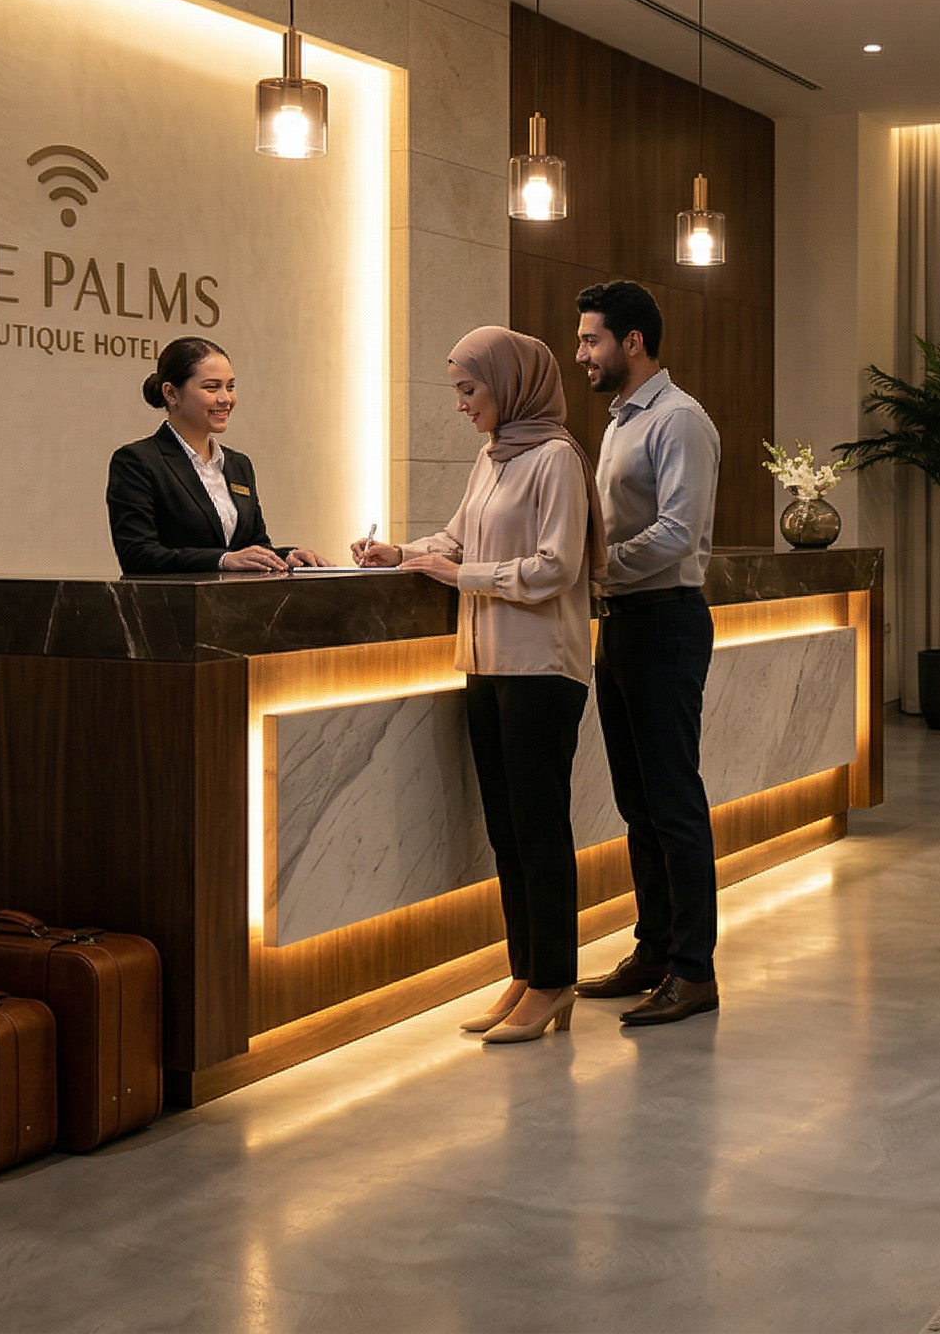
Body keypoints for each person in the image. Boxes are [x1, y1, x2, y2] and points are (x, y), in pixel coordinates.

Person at [353, 327, 603, 1046]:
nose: (461, 404)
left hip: (542, 670)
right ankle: (527, 971)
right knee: (505, 830)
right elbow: (459, 538)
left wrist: (456, 576)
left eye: (471, 389)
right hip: (488, 665)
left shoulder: (555, 458)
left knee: (539, 829)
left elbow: (557, 567)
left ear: (511, 383)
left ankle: (555, 979)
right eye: (458, 390)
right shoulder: (492, 457)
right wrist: (401, 553)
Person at [567, 280, 726, 1028]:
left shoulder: (680, 419)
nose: (581, 353)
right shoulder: (619, 422)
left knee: (673, 803)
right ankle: (655, 950)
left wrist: (593, 565)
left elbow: (678, 535)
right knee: (637, 805)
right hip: (623, 624)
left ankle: (696, 972)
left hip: (666, 623)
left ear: (632, 341)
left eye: (591, 339)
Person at [106, 336, 330, 574]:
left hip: (232, 606)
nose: (225, 399)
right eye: (212, 387)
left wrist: (287, 556)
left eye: (230, 387)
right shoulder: (137, 461)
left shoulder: (238, 464)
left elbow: (252, 546)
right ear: (171, 393)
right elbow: (137, 556)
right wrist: (222, 560)